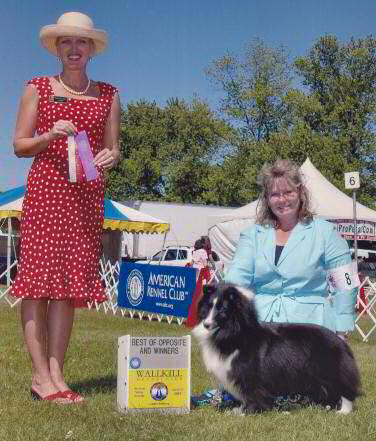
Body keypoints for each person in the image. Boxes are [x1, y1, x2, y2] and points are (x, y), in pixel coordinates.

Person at [11, 12, 121, 403]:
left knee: (67, 286)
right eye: (66, 42)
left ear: (91, 49)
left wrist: (110, 157)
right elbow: (19, 145)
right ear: (57, 49)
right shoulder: (37, 88)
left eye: (81, 42)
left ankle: (58, 375)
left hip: (86, 196)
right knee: (38, 283)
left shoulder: (108, 94)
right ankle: (40, 377)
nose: (74, 49)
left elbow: (113, 147)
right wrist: (48, 134)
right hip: (47, 191)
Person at [225, 159, 357, 337]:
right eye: (275, 194)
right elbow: (236, 281)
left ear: (300, 192)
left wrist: (342, 328)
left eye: (288, 192)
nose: (282, 199)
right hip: (261, 329)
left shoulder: (326, 232)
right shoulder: (251, 235)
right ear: (267, 199)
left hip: (313, 330)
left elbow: (346, 283)